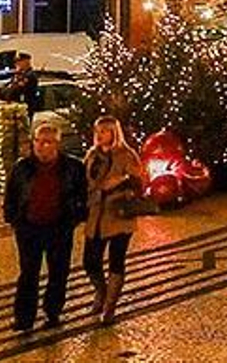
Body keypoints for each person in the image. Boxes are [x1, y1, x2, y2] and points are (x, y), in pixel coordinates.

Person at [3, 122, 87, 332]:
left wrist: (74, 218)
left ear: (57, 144)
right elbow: (12, 195)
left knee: (58, 272)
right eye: (38, 142)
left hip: (59, 227)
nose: (42, 147)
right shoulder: (22, 167)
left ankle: (53, 311)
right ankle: (24, 318)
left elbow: (81, 194)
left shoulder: (72, 168)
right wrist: (14, 219)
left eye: (48, 142)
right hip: (29, 228)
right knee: (28, 274)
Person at [80, 116, 144, 324]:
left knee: (117, 260)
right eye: (97, 131)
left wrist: (121, 180)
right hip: (96, 214)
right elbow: (84, 180)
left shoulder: (126, 155)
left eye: (104, 131)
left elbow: (139, 183)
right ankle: (102, 290)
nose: (99, 136)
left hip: (119, 215)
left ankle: (110, 305)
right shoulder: (92, 155)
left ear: (114, 133)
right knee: (90, 261)